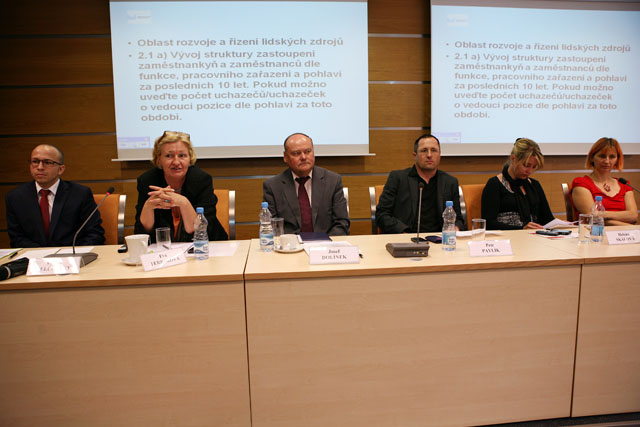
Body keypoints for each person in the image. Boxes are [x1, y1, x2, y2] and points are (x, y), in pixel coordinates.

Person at [134, 131, 228, 242]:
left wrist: (184, 203)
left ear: (190, 158)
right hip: (162, 249)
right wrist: (148, 207)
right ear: (159, 159)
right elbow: (142, 233)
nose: (176, 162)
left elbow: (200, 230)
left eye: (182, 155)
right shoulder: (148, 181)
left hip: (207, 246)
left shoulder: (201, 180)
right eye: (169, 156)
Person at [6, 144, 105, 248]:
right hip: (34, 255)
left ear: (61, 169)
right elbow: (16, 238)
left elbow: (95, 233)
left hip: (72, 254)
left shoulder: (80, 194)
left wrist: (74, 254)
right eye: (35, 161)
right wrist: (41, 254)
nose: (40, 167)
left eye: (47, 162)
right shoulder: (15, 197)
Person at [262, 132, 350, 235]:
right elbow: (270, 226)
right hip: (290, 243)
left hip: (325, 242)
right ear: (285, 157)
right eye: (296, 153)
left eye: (308, 151)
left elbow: (342, 223)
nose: (303, 157)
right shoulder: (273, 186)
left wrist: (326, 242)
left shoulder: (333, 181)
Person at [375, 134, 465, 233]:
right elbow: (382, 214)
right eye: (424, 150)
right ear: (415, 156)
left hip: (440, 238)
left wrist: (454, 229)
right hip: (407, 237)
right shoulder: (398, 178)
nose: (429, 155)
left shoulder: (450, 182)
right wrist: (403, 233)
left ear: (440, 155)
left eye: (434, 150)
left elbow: (458, 219)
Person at [481, 138, 554, 230]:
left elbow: (547, 219)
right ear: (513, 159)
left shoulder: (534, 185)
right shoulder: (495, 184)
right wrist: (521, 229)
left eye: (534, 167)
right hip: (507, 237)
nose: (530, 171)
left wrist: (562, 225)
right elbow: (488, 224)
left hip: (534, 236)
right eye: (526, 165)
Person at [571, 137, 637, 225]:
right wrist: (627, 226)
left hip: (627, 233)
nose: (607, 161)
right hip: (594, 232)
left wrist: (602, 214)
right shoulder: (581, 184)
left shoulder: (624, 184)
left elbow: (633, 215)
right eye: (602, 156)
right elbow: (592, 218)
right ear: (592, 158)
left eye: (612, 157)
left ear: (617, 159)